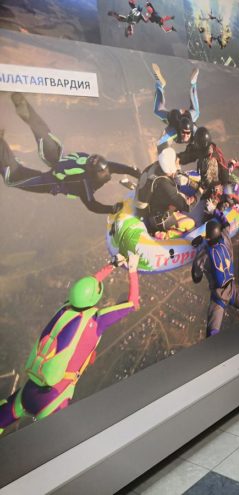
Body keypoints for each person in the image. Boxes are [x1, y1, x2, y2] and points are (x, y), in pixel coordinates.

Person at [0, 252, 140, 435]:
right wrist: (132, 269)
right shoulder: (96, 320)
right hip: (55, 397)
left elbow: (85, 289)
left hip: (29, 389)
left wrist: (112, 265)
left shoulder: (64, 309)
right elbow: (133, 303)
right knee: (59, 442)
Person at [0, 93, 140, 214]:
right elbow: (92, 205)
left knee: (45, 135)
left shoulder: (101, 166)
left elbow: (121, 168)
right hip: (52, 181)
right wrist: (111, 209)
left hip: (60, 161)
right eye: (104, 172)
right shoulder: (85, 183)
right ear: (92, 174)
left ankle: (28, 112)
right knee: (13, 177)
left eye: (106, 170)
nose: (107, 172)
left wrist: (138, 174)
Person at [191, 217, 239, 337]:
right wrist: (217, 213)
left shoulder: (203, 256)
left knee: (212, 332)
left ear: (208, 238)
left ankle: (214, 347)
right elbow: (226, 225)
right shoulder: (226, 241)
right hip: (233, 289)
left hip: (219, 296)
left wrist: (198, 249)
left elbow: (196, 278)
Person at [135, 147, 195, 239]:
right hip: (159, 220)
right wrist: (199, 192)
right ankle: (166, 235)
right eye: (175, 160)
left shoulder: (154, 168)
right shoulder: (165, 185)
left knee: (176, 208)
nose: (177, 161)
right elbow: (187, 207)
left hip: (151, 212)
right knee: (191, 223)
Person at [152, 64, 200, 151]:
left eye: (187, 133)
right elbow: (163, 139)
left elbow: (162, 139)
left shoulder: (192, 130)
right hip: (177, 117)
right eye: (184, 133)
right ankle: (193, 84)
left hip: (184, 117)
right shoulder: (174, 130)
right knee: (196, 112)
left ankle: (160, 84)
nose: (185, 136)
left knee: (158, 110)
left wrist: (159, 143)